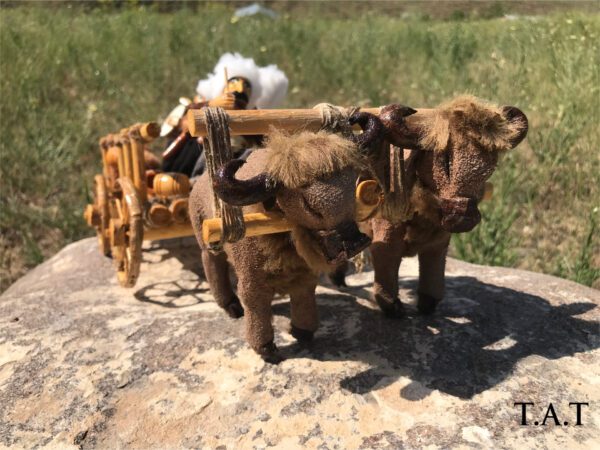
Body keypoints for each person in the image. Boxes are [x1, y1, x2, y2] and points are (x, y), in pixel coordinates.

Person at [160, 53, 288, 179]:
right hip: (196, 164)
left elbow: (262, 139)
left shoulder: (250, 119)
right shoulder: (203, 106)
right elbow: (184, 121)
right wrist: (211, 105)